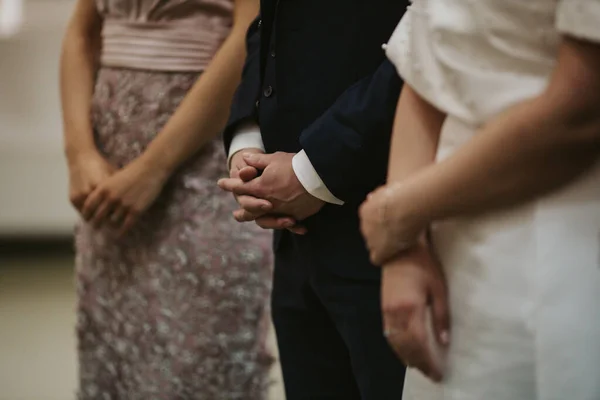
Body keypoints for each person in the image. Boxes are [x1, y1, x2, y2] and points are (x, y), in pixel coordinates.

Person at [359, 0, 600, 399]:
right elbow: (427, 61)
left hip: (552, 246)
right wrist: (403, 246)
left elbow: (581, 112)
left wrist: (400, 213)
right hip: (443, 248)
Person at [59, 0, 273, 398]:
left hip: (203, 164)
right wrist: (79, 154)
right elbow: (82, 32)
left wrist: (153, 169)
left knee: (199, 362)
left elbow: (249, 36)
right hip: (110, 172)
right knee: (114, 361)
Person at [217, 1, 410, 398]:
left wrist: (316, 168)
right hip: (294, 235)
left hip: (389, 205)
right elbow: (271, 18)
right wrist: (248, 140)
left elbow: (427, 32)